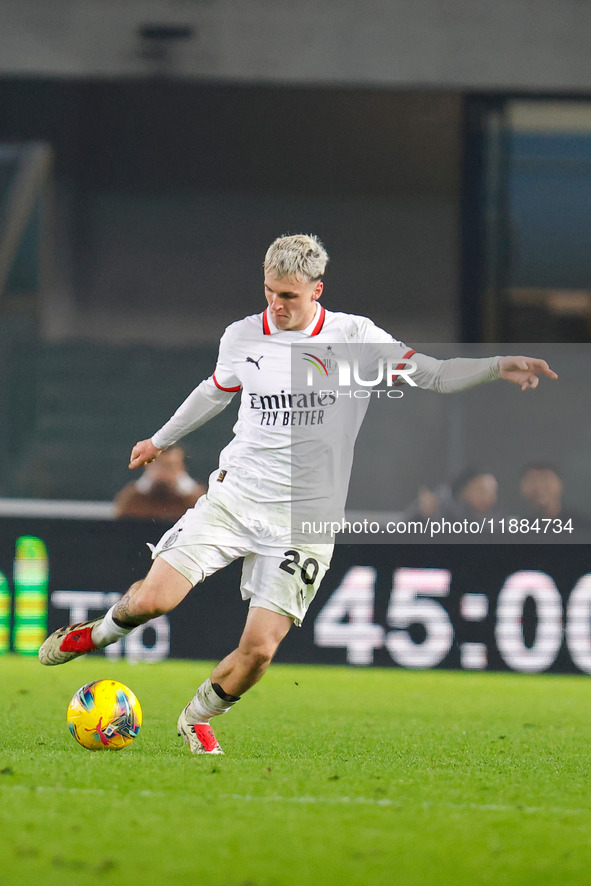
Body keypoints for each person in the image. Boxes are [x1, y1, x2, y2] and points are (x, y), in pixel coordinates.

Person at [38, 233, 558, 755]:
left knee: (259, 652)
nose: (276, 304)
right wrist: (160, 440)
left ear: (317, 290)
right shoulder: (243, 336)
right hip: (236, 498)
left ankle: (198, 715)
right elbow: (213, 391)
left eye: (288, 296)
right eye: (269, 292)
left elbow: (435, 375)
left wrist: (496, 365)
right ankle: (96, 634)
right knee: (152, 601)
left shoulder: (354, 337)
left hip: (306, 521)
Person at [114, 445, 206, 522]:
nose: (164, 472)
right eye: (159, 466)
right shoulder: (133, 498)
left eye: (169, 466)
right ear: (149, 467)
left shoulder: (197, 500)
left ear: (181, 468)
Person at [519, 459, 591, 538]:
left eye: (545, 478)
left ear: (559, 484)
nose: (539, 486)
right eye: (532, 480)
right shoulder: (520, 528)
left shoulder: (582, 527)